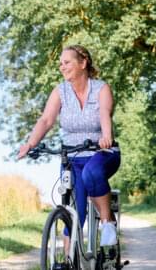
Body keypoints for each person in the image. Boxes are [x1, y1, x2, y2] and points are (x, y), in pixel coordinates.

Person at [18, 45, 120, 247]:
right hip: (72, 157)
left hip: (101, 152)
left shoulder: (101, 88)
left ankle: (107, 223)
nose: (62, 67)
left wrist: (106, 136)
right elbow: (46, 120)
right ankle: (67, 262)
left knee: (91, 173)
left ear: (83, 63)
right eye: (60, 64)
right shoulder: (60, 91)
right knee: (75, 214)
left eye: (67, 62)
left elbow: (104, 113)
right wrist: (30, 143)